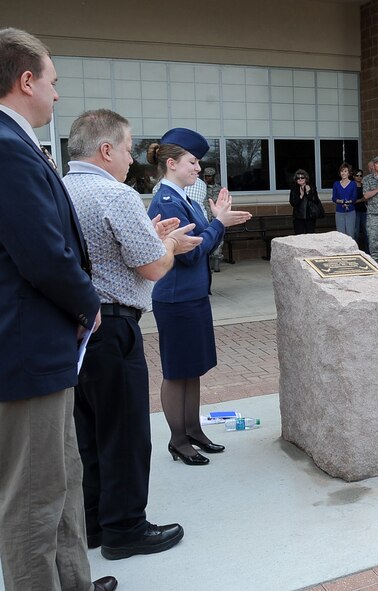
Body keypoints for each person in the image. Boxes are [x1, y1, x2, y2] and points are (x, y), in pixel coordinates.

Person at [0, 28, 117, 591]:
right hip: (27, 352)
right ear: (26, 81)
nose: (57, 95)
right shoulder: (5, 146)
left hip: (43, 348)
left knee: (64, 479)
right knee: (32, 500)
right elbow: (43, 253)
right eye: (52, 82)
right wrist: (87, 301)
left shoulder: (18, 143)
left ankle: (73, 580)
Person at [64, 109, 201, 560]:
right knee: (124, 432)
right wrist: (168, 244)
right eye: (126, 149)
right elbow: (153, 266)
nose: (131, 159)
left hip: (78, 327)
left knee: (89, 431)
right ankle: (125, 528)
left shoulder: (61, 188)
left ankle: (94, 522)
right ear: (106, 150)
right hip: (114, 325)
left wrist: (150, 233)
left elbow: (103, 248)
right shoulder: (115, 193)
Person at [147, 127, 251, 466]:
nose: (197, 168)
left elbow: (203, 245)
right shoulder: (166, 200)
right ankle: (178, 439)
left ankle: (192, 430)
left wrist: (218, 223)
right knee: (177, 371)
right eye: (192, 162)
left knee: (191, 368)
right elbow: (190, 253)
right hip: (176, 298)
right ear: (172, 163)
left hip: (189, 296)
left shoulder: (182, 197)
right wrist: (218, 222)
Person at [203, 167, 224, 271]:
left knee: (218, 240)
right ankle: (208, 261)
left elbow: (224, 203)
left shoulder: (220, 189)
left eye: (209, 176)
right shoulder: (201, 188)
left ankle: (216, 262)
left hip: (217, 218)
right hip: (205, 218)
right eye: (206, 176)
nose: (207, 178)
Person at [289, 169, 321, 235]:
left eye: (302, 177)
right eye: (298, 178)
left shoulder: (311, 186)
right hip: (298, 217)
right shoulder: (294, 188)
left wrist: (308, 192)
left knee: (310, 237)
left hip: (310, 216)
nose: (300, 179)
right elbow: (293, 203)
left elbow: (316, 200)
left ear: (306, 178)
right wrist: (301, 196)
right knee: (299, 236)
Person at [332, 162, 358, 239]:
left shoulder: (353, 184)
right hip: (339, 211)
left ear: (349, 173)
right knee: (340, 235)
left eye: (345, 171)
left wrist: (349, 201)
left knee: (350, 234)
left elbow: (354, 197)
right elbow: (334, 198)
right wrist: (339, 201)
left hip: (350, 211)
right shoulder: (336, 184)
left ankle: (352, 251)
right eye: (342, 171)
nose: (343, 173)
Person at [353, 168, 368, 251]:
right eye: (357, 175)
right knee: (356, 233)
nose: (359, 177)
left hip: (364, 210)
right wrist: (362, 200)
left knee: (367, 232)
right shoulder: (352, 186)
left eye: (361, 176)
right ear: (353, 176)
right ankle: (356, 251)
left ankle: (368, 251)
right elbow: (351, 201)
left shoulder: (364, 186)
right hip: (355, 211)